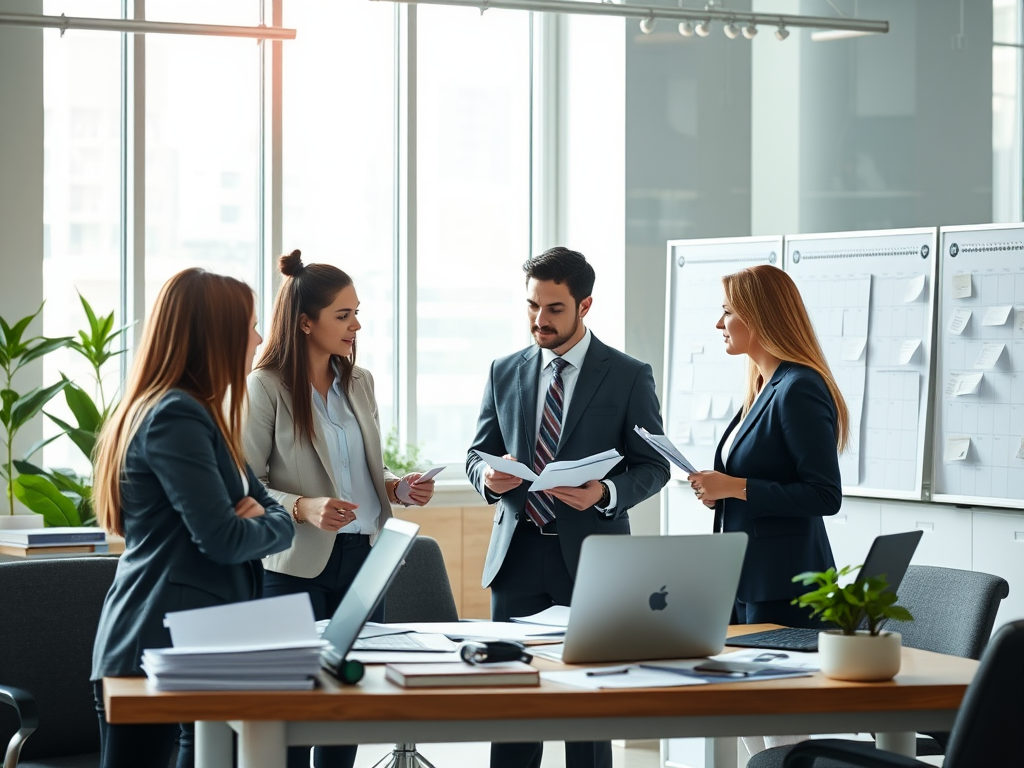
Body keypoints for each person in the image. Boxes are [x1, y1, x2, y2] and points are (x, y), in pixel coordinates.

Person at [466, 246, 670, 768]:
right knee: (514, 705)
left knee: (588, 709)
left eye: (554, 308)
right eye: (532, 306)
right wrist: (488, 476)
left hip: (592, 559)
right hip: (517, 556)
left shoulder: (627, 375)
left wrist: (605, 493)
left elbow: (654, 466)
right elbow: (476, 454)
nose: (540, 319)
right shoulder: (504, 370)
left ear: (586, 305)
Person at [91, 268, 295, 768]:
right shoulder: (175, 416)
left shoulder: (202, 413)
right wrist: (260, 521)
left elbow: (269, 508)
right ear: (213, 336)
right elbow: (225, 539)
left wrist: (262, 518)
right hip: (157, 643)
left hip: (197, 640)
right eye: (247, 325)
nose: (259, 338)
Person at [244, 250, 435, 768]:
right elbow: (245, 486)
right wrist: (303, 506)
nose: (356, 325)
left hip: (365, 560)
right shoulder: (266, 388)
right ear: (306, 323)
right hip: (293, 567)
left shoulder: (360, 382)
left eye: (357, 312)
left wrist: (397, 488)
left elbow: (360, 467)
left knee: (344, 707)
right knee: (293, 709)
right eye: (343, 315)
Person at [687, 264, 848, 627]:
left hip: (785, 587)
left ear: (759, 317)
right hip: (744, 579)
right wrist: (719, 492)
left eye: (727, 312)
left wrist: (734, 487)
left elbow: (824, 495)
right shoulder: (761, 386)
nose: (718, 324)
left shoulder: (798, 388)